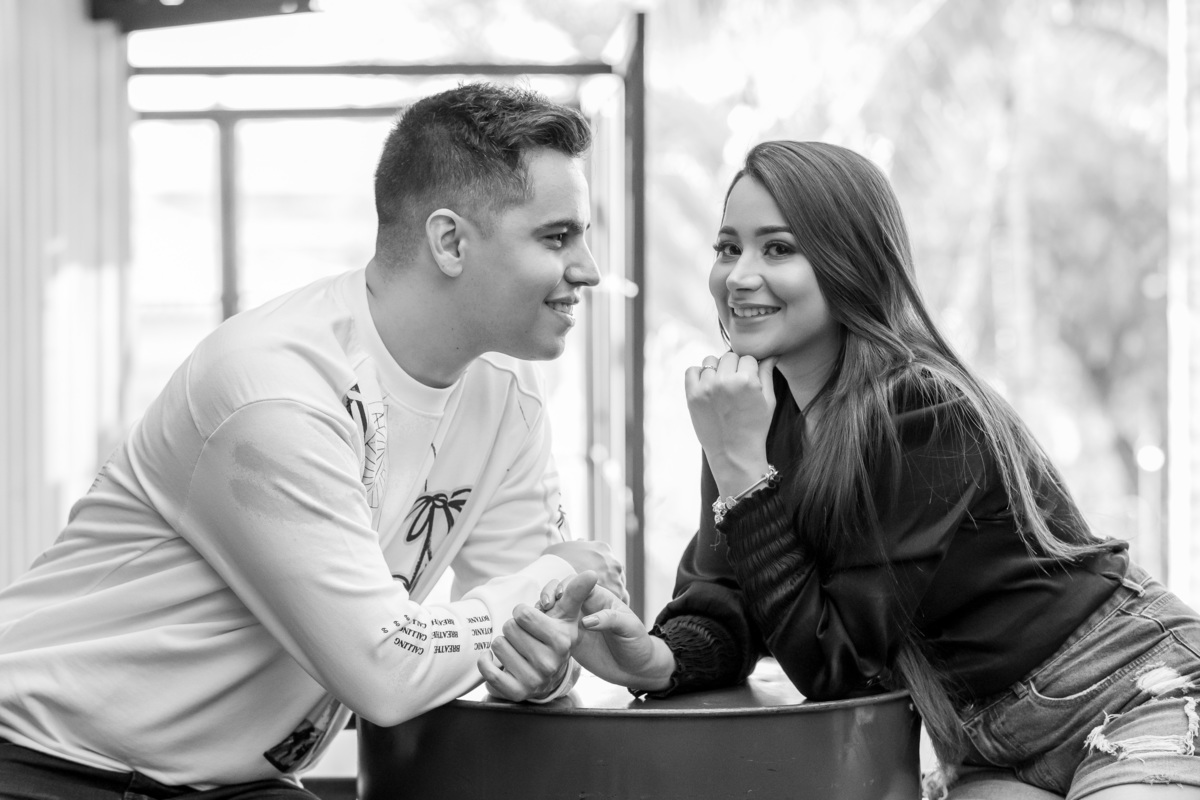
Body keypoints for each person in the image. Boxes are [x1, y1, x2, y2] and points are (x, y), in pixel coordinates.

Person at [0, 82, 624, 798]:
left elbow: (529, 628)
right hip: (45, 762)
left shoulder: (505, 394)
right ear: (449, 240)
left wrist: (539, 666)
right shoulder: (275, 388)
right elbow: (390, 669)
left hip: (227, 783)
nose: (590, 269)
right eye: (556, 236)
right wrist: (549, 578)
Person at [540, 141, 1200, 799]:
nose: (739, 275)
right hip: (986, 739)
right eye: (727, 247)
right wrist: (650, 658)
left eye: (778, 249)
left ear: (847, 263)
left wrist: (741, 472)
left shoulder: (919, 407)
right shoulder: (750, 421)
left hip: (1129, 685)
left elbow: (841, 664)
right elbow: (728, 607)